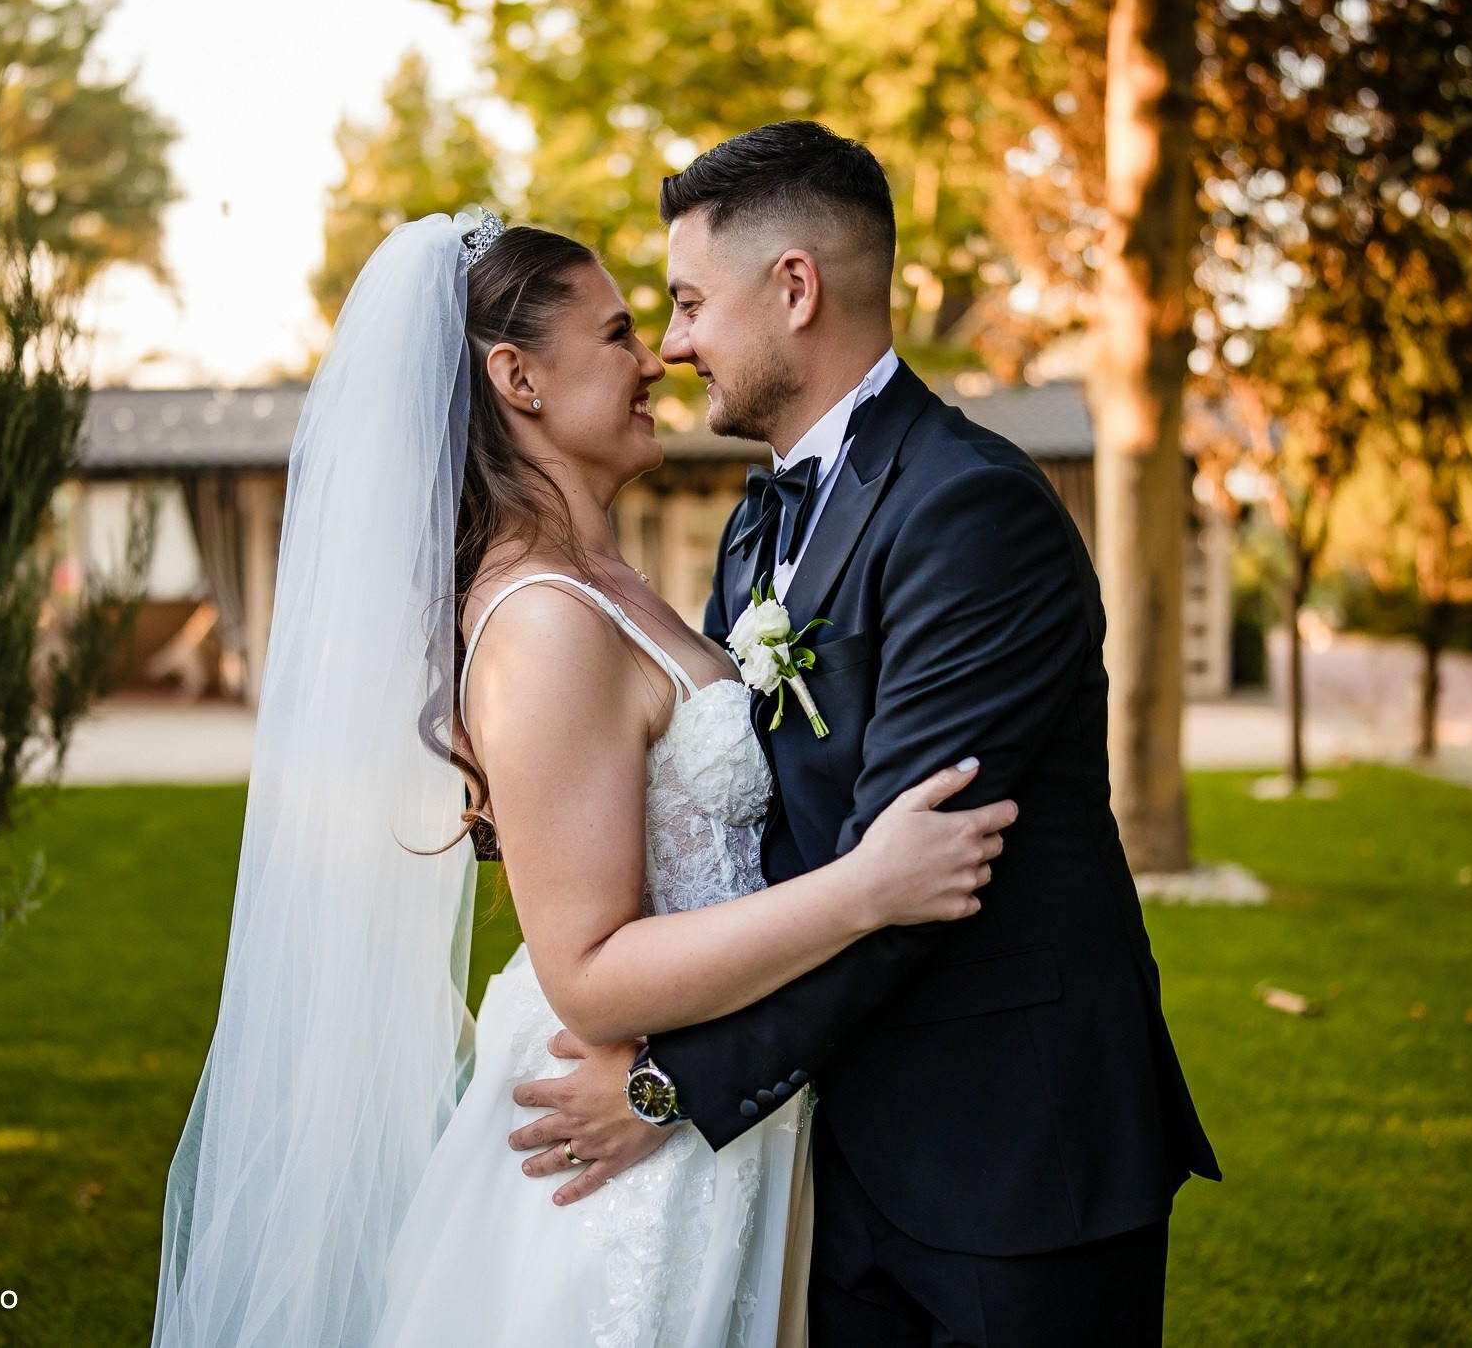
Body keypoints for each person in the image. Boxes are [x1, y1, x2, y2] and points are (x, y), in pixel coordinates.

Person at [149, 210, 1014, 1348]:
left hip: (714, 1119)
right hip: (612, 1165)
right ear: (517, 378)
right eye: (615, 334)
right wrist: (866, 891)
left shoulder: (607, 579)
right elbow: (591, 976)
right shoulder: (545, 624)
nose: (654, 355)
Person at [512, 121, 1222, 1348]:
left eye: (686, 302)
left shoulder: (970, 512)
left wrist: (669, 1086)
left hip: (1012, 1155)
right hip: (829, 1156)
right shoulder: (755, 518)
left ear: (795, 289)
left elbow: (905, 879)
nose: (672, 344)